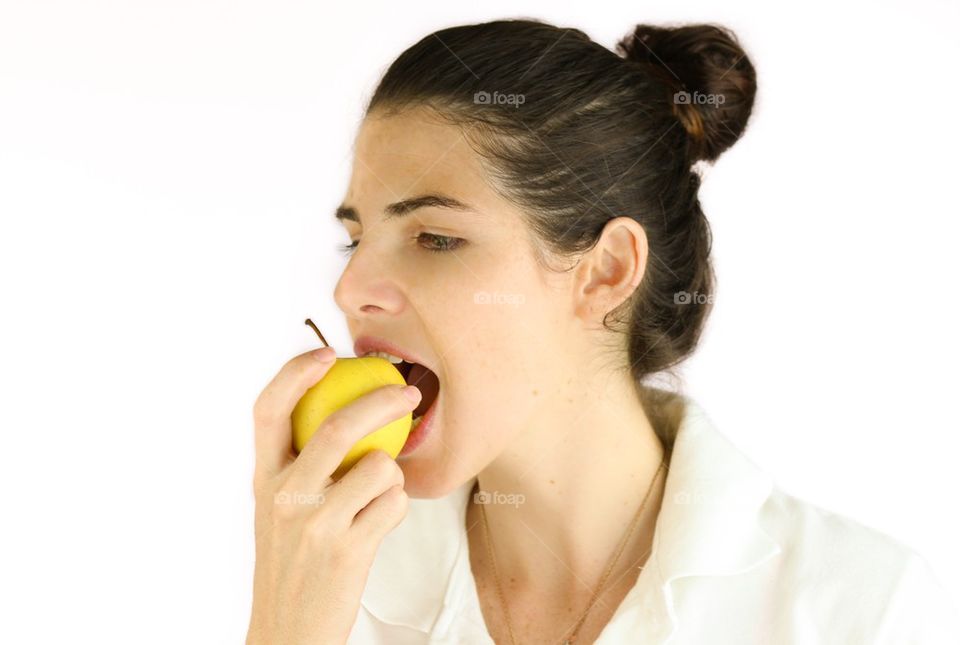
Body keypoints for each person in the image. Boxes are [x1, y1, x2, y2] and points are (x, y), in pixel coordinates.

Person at [245, 18, 960, 644]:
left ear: (607, 271)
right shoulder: (331, 583)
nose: (349, 291)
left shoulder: (864, 613)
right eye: (355, 239)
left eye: (433, 237)